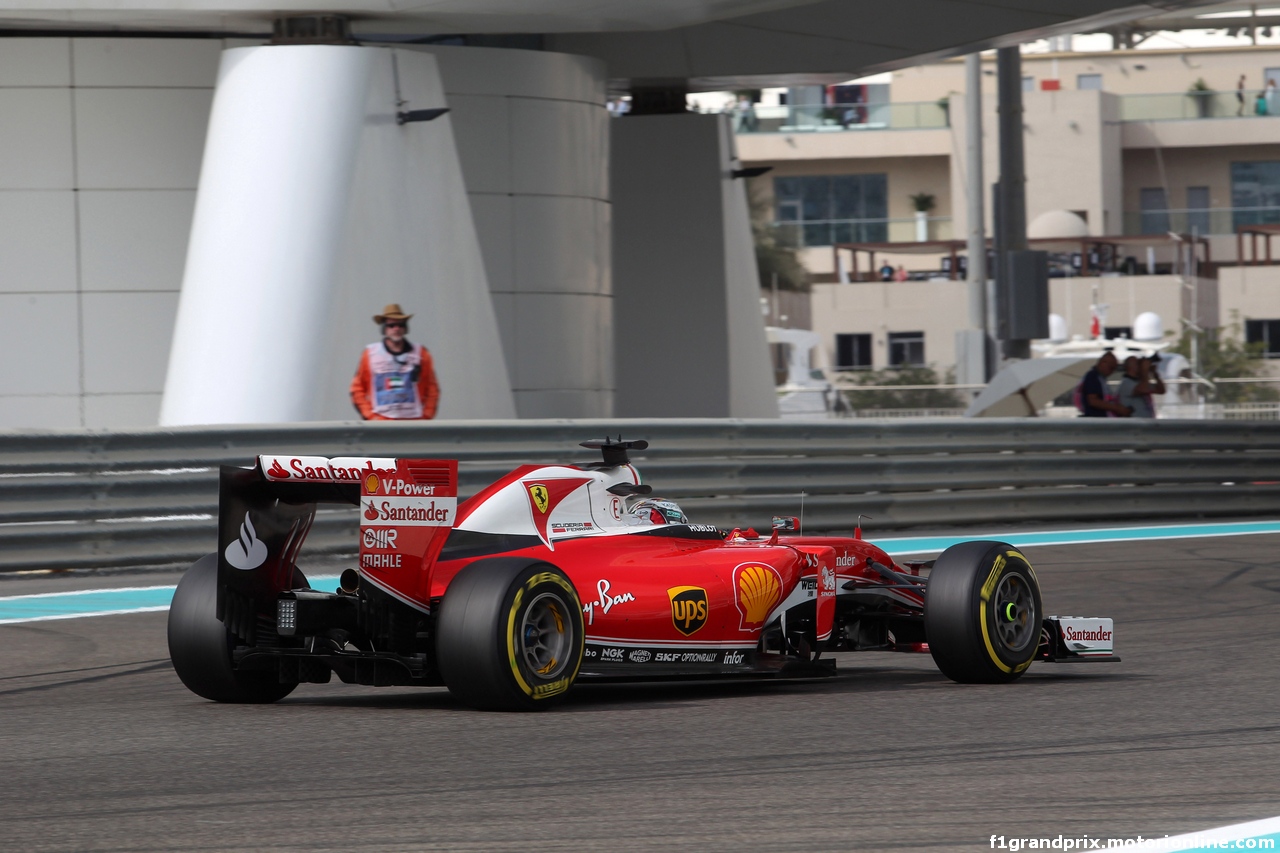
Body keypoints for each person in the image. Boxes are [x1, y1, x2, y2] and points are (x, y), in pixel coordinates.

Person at [349, 303, 440, 420]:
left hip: (414, 424)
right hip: (382, 426)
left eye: (400, 325)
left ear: (406, 328)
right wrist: (371, 417)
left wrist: (426, 416)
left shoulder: (421, 354)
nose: (396, 329)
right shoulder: (369, 354)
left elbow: (432, 389)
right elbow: (357, 389)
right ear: (384, 329)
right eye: (391, 325)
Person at [1078, 351, 1130, 417]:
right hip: (1096, 418)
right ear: (1103, 363)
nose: (1112, 372)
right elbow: (1093, 401)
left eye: (1114, 369)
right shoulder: (1093, 376)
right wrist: (1117, 408)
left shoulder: (1100, 378)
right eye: (1111, 368)